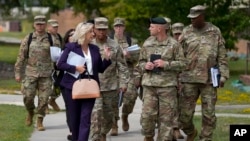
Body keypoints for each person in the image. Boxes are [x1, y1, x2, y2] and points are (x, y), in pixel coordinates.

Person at [178, 5, 229, 141]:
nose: (192, 21)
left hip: (209, 80)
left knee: (209, 114)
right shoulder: (186, 32)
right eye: (191, 18)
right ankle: (190, 131)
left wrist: (223, 75)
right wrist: (177, 76)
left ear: (202, 16)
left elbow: (222, 55)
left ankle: (205, 138)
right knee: (184, 116)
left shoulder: (214, 31)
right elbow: (178, 55)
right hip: (188, 78)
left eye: (195, 18)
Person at [57, 21, 111, 141]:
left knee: (86, 119)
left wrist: (107, 59)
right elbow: (60, 64)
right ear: (84, 33)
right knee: (75, 119)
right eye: (91, 31)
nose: (94, 34)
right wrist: (75, 68)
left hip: (90, 87)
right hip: (72, 87)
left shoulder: (95, 49)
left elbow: (100, 69)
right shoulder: (71, 47)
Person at [138, 17, 186, 141]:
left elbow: (183, 64)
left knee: (166, 120)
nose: (149, 28)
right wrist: (145, 65)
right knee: (147, 117)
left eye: (151, 26)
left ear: (159, 29)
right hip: (149, 86)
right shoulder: (147, 42)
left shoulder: (174, 44)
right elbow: (140, 62)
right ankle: (148, 137)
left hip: (167, 87)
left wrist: (167, 64)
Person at [14, 15, 58, 131]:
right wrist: (18, 72)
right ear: (34, 25)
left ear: (45, 25)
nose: (40, 26)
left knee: (43, 100)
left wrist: (57, 70)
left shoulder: (51, 39)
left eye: (42, 24)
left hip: (46, 75)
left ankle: (40, 120)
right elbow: (21, 56)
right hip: (30, 73)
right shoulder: (28, 38)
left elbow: (57, 56)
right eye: (38, 24)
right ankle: (30, 112)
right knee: (28, 97)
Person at [90, 17, 129, 141]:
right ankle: (96, 137)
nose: (101, 32)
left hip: (110, 86)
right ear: (94, 29)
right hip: (93, 86)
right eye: (99, 29)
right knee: (95, 115)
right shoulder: (89, 44)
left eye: (104, 29)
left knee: (108, 117)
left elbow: (122, 65)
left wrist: (123, 83)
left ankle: (102, 134)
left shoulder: (114, 45)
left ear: (107, 30)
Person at [109, 17, 140, 136]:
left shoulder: (131, 41)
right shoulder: (109, 40)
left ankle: (125, 115)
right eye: (116, 26)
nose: (118, 28)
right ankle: (114, 125)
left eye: (120, 26)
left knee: (131, 97)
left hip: (128, 73)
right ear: (113, 28)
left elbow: (138, 58)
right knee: (113, 101)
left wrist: (128, 57)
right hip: (113, 74)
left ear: (124, 27)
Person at [57, 28, 75, 140]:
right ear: (67, 37)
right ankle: (72, 130)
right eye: (71, 35)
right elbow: (58, 65)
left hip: (79, 82)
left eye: (75, 34)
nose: (73, 36)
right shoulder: (64, 50)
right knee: (70, 107)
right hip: (65, 82)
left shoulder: (82, 49)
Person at [46, 19, 63, 112]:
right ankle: (44, 105)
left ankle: (52, 100)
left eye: (57, 27)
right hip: (47, 65)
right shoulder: (45, 37)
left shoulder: (59, 37)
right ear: (48, 27)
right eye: (54, 27)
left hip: (56, 65)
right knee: (46, 86)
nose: (56, 28)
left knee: (58, 84)